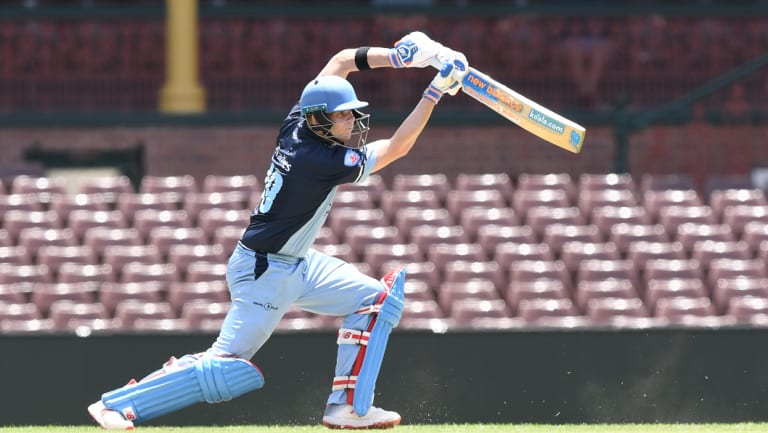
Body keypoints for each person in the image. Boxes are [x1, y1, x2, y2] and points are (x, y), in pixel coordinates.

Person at [87, 31, 467, 430]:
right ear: (320, 119)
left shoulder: (296, 123)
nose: (351, 120)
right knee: (225, 367)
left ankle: (348, 409)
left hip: (295, 264)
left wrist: (401, 57)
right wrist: (433, 91)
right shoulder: (320, 159)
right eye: (342, 115)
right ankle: (118, 405)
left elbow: (339, 61)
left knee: (376, 301)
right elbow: (398, 148)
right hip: (264, 273)